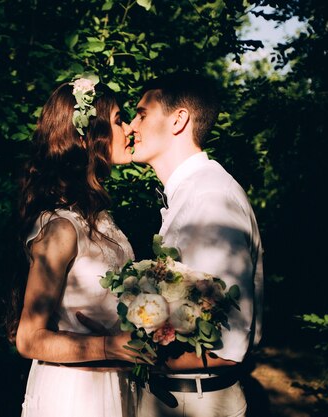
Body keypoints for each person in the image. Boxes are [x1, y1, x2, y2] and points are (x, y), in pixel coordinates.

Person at [125, 71, 264, 417]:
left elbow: (229, 346)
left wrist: (121, 354)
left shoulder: (211, 198)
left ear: (179, 119)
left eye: (141, 114)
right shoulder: (190, 194)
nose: (130, 126)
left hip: (197, 403)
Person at [6, 75, 141, 417]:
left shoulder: (99, 219)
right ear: (88, 137)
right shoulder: (62, 227)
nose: (129, 129)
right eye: (118, 120)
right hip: (74, 397)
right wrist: (110, 346)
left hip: (112, 386)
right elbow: (29, 338)